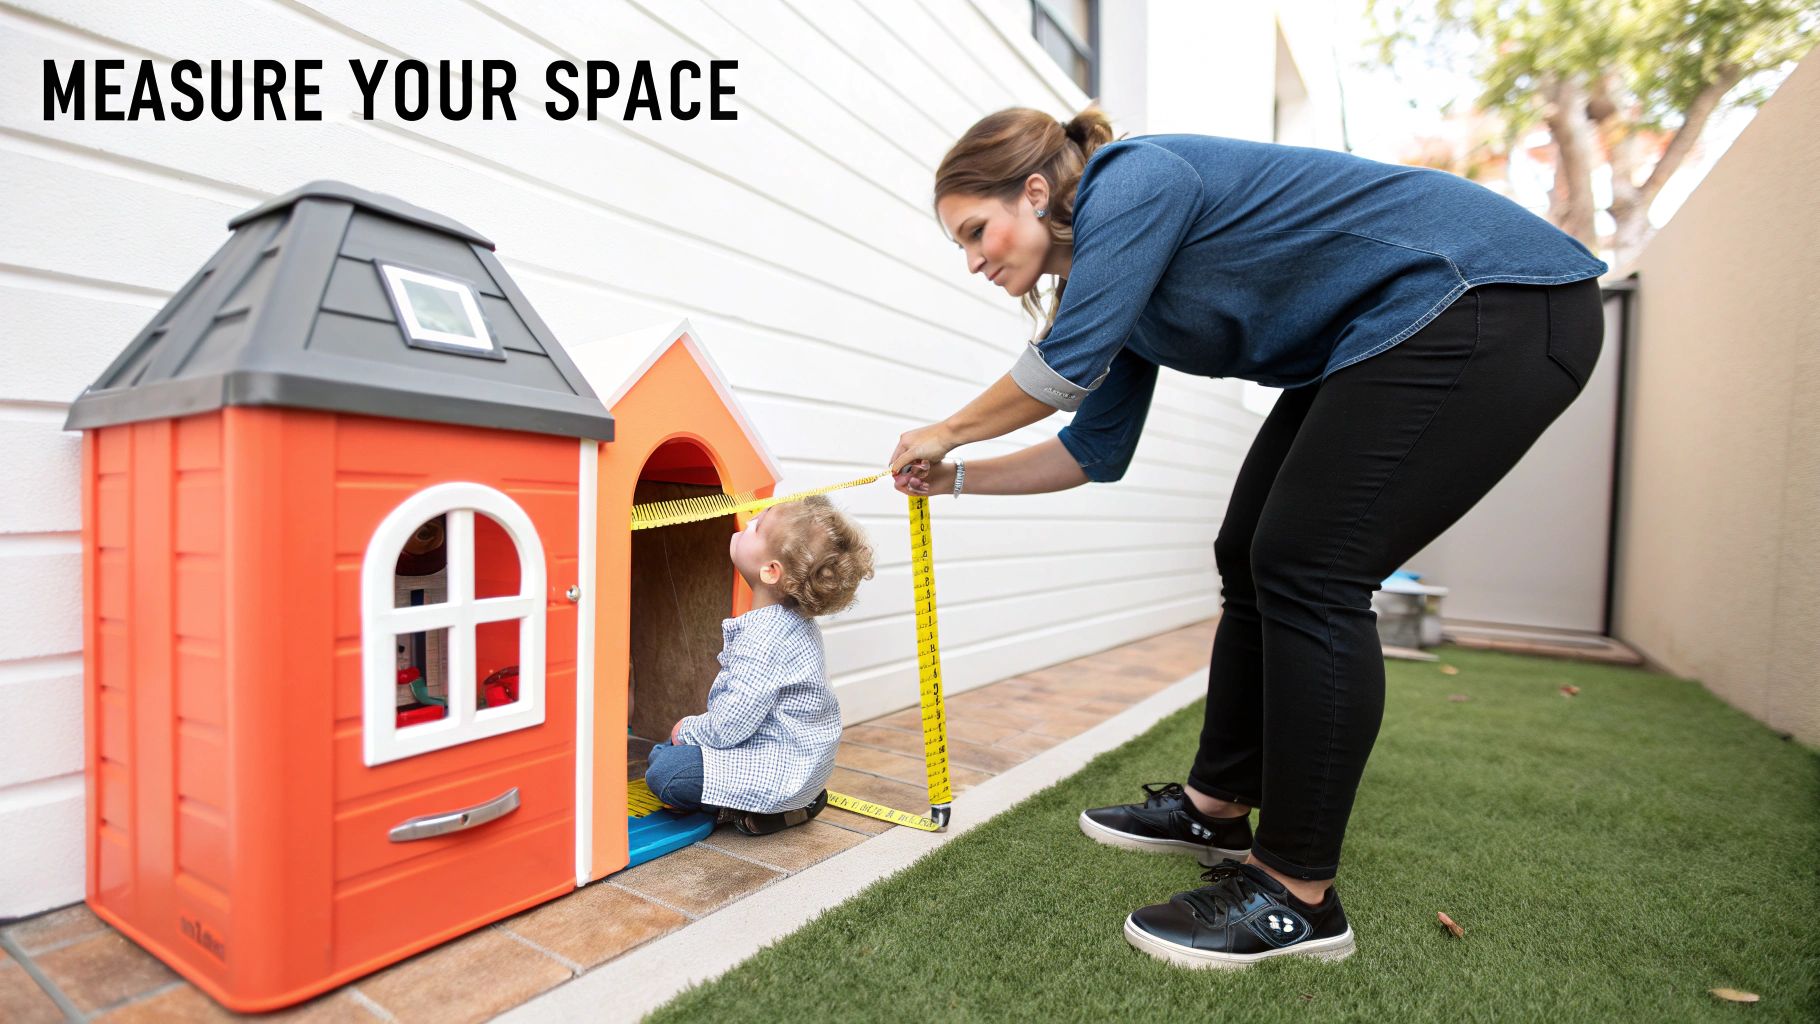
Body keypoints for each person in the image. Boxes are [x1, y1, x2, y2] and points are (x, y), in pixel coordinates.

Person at [888, 106, 1606, 968]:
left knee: (1310, 564)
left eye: (977, 230)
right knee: (1250, 552)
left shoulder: (1135, 181)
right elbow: (1093, 451)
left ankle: (1297, 894)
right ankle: (1216, 807)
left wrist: (948, 430)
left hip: (1494, 299)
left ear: (1035, 191)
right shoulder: (1114, 280)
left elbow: (1065, 372)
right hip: (1393, 329)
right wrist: (956, 477)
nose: (973, 260)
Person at [644, 496, 876, 836]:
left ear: (770, 571)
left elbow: (728, 727)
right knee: (670, 752)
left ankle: (768, 810)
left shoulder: (764, 638)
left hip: (780, 774)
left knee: (665, 769)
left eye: (758, 526)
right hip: (806, 770)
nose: (749, 521)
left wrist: (687, 729)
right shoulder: (794, 622)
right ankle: (797, 803)